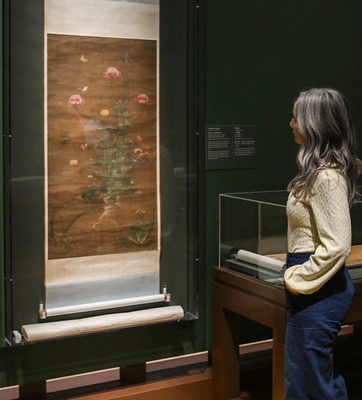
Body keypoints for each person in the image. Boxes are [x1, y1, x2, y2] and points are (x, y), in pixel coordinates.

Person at [283, 87, 362, 399]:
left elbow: (338, 245)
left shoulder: (327, 178)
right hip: (316, 288)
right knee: (311, 377)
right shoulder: (318, 174)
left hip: (318, 290)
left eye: (296, 118)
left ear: (316, 124)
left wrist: (298, 277)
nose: (291, 124)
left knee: (309, 383)